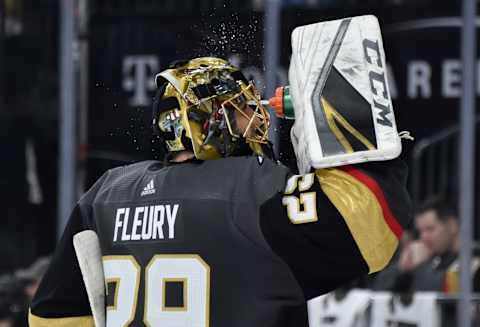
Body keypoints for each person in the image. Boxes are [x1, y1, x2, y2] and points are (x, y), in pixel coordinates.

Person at [29, 57, 412, 326]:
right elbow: (368, 225)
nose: (259, 117)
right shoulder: (249, 188)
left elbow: (52, 315)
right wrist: (369, 157)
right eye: (241, 107)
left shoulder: (106, 195)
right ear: (207, 124)